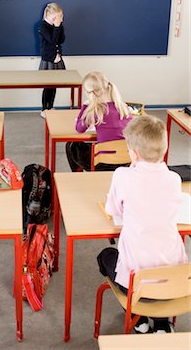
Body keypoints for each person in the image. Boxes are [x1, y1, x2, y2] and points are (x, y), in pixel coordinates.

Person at [97, 115, 188, 334]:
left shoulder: (122, 175)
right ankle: (163, 323)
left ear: (134, 154)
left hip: (136, 286)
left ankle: (139, 318)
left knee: (105, 257)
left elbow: (113, 211)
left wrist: (131, 168)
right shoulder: (174, 179)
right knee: (161, 261)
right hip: (178, 282)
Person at [66, 71, 132, 171]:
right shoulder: (123, 107)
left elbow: (79, 128)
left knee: (71, 145)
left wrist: (85, 106)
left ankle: (78, 174)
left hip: (102, 163)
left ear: (90, 93)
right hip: (126, 161)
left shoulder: (95, 111)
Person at [39, 3, 66, 118]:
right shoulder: (43, 26)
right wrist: (56, 27)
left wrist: (59, 26)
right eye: (55, 17)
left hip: (57, 59)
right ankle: (44, 108)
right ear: (49, 15)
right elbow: (53, 41)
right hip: (48, 60)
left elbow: (62, 39)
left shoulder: (58, 25)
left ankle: (51, 106)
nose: (58, 20)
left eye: (59, 17)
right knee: (48, 86)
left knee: (54, 85)